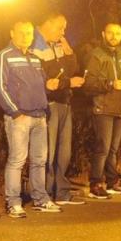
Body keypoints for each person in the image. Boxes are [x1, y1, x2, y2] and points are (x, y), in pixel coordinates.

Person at [0, 20, 57, 218]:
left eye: (29, 33)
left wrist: (49, 86)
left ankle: (40, 198)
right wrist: (15, 112)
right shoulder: (3, 56)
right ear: (12, 33)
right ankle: (13, 202)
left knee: (39, 160)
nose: (25, 37)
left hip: (39, 116)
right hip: (19, 117)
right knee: (17, 160)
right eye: (21, 32)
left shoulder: (35, 58)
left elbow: (41, 85)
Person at [32, 12, 84, 205]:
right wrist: (68, 82)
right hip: (49, 103)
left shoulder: (57, 45)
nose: (63, 32)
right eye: (60, 27)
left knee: (64, 152)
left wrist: (69, 53)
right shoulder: (35, 45)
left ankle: (61, 192)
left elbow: (71, 69)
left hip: (64, 102)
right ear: (48, 23)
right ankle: (44, 193)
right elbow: (46, 79)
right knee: (48, 151)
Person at [83, 22, 121, 199]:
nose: (114, 36)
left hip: (119, 107)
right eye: (110, 33)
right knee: (103, 148)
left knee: (113, 149)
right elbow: (88, 83)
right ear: (103, 34)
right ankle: (96, 184)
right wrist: (110, 84)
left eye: (118, 33)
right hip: (103, 107)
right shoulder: (96, 55)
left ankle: (112, 182)